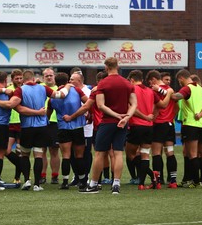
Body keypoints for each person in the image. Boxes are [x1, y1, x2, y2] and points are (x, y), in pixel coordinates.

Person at [0, 70, 72, 191]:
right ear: (34, 79)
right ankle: (37, 184)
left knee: (25, 154)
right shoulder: (43, 88)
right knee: (38, 154)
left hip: (27, 127)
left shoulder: (20, 90)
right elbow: (60, 95)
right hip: (41, 127)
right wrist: (68, 85)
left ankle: (27, 180)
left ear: (23, 79)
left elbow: (11, 105)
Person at [82, 57, 137, 194]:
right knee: (118, 153)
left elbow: (100, 105)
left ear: (106, 67)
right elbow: (134, 104)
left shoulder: (103, 83)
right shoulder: (127, 83)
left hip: (107, 123)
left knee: (100, 153)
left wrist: (116, 115)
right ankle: (116, 184)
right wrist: (125, 117)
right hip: (122, 123)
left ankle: (93, 184)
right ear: (117, 66)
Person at [125, 70, 173, 190]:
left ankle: (151, 175)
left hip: (136, 125)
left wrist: (144, 117)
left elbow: (133, 109)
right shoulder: (150, 91)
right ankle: (143, 183)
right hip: (149, 127)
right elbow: (162, 105)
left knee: (130, 154)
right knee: (145, 155)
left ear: (131, 80)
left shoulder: (131, 90)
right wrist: (168, 94)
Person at [171, 69, 202, 188]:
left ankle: (195, 181)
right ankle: (195, 179)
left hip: (190, 124)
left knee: (192, 154)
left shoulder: (187, 88)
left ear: (181, 78)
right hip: (201, 125)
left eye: (178, 80)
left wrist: (167, 92)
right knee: (196, 153)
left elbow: (177, 96)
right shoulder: (201, 89)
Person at [48, 72, 88, 190]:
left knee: (66, 155)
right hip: (78, 127)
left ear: (56, 82)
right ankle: (82, 181)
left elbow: (48, 114)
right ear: (68, 81)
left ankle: (65, 181)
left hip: (63, 127)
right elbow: (88, 103)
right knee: (79, 155)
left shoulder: (53, 97)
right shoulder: (77, 91)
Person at [148, 70, 179, 188]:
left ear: (153, 80)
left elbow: (155, 107)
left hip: (158, 124)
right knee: (170, 152)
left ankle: (158, 180)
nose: (150, 84)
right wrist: (170, 117)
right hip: (169, 124)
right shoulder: (171, 91)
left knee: (156, 153)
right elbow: (176, 107)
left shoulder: (154, 91)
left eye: (150, 82)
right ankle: (173, 181)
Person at [68, 68, 94, 186]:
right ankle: (77, 175)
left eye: (72, 79)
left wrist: (89, 115)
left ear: (79, 80)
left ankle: (86, 175)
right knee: (73, 152)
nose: (70, 81)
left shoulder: (87, 92)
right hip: (73, 126)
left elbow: (92, 107)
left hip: (86, 127)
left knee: (86, 152)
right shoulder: (69, 90)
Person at [40, 68, 60, 185]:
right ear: (43, 77)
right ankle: (42, 175)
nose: (49, 77)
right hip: (41, 121)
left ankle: (55, 176)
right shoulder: (40, 88)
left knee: (54, 150)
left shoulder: (59, 89)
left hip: (54, 121)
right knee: (41, 150)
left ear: (54, 76)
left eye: (50, 75)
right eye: (46, 76)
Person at [5, 69, 24, 184]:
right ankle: (23, 166)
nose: (19, 80)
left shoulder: (24, 89)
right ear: (12, 79)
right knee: (6, 150)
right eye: (16, 78)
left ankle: (17, 178)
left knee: (20, 151)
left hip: (22, 123)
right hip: (10, 123)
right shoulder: (8, 90)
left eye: (20, 78)